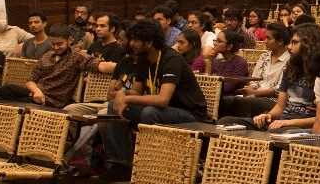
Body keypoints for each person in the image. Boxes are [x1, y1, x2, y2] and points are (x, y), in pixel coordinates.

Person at [105, 19, 207, 175]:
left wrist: (127, 99)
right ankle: (120, 164)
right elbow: (137, 92)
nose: (132, 43)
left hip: (190, 114)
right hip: (164, 110)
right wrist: (122, 93)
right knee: (113, 105)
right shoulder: (143, 59)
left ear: (149, 43)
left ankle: (153, 165)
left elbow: (162, 99)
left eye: (136, 40)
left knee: (150, 112)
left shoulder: (171, 59)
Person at [224, 23, 320, 132]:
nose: (289, 47)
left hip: (301, 127)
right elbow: (279, 106)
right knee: (227, 122)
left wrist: (289, 122)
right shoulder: (291, 69)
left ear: (310, 44)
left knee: (274, 131)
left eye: (295, 42)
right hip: (281, 122)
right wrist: (269, 115)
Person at [0, 24, 118, 109]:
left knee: (15, 104)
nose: (56, 47)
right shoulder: (47, 56)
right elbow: (30, 81)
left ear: (69, 40)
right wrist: (37, 91)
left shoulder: (76, 56)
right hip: (36, 93)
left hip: (52, 101)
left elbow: (100, 65)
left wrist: (122, 66)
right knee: (6, 90)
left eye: (59, 44)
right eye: (53, 44)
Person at [218, 21, 290, 120]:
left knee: (240, 102)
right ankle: (225, 127)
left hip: (274, 100)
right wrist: (251, 89)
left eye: (269, 38)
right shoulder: (264, 56)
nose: (265, 41)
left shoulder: (289, 60)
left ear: (280, 41)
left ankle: (247, 126)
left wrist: (255, 93)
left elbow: (278, 90)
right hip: (256, 95)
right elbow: (254, 80)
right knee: (223, 101)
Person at [206, 29, 250, 95]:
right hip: (213, 96)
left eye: (219, 41)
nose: (215, 44)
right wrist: (210, 60)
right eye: (216, 40)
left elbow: (227, 88)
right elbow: (206, 81)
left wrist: (210, 89)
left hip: (232, 99)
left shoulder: (240, 63)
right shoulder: (216, 61)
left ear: (229, 46)